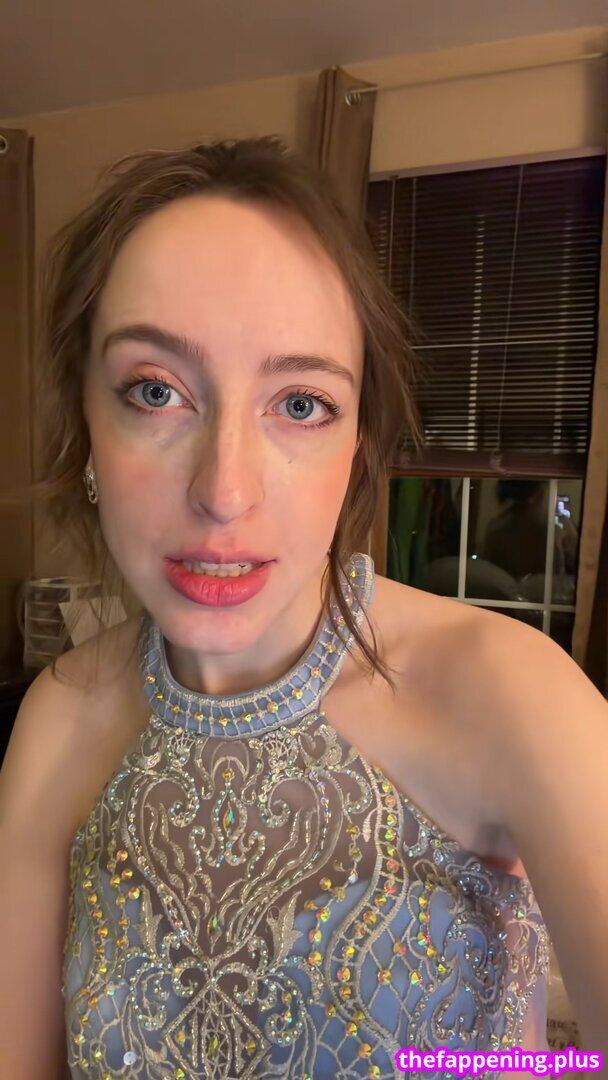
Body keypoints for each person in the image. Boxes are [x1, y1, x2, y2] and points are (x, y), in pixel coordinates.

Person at [0, 137, 606, 1080]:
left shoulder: (513, 695)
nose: (225, 492)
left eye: (301, 404)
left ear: (356, 446)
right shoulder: (58, 722)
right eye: (156, 392)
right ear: (86, 424)